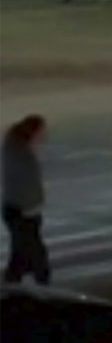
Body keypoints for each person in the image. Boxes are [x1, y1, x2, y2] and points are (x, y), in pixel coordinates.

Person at [3, 115, 51, 285]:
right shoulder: (23, 156)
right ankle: (42, 287)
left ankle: (15, 284)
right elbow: (27, 185)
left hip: (17, 209)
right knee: (34, 255)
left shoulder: (15, 150)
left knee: (21, 254)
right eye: (42, 132)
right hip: (24, 212)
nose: (45, 136)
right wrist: (33, 207)